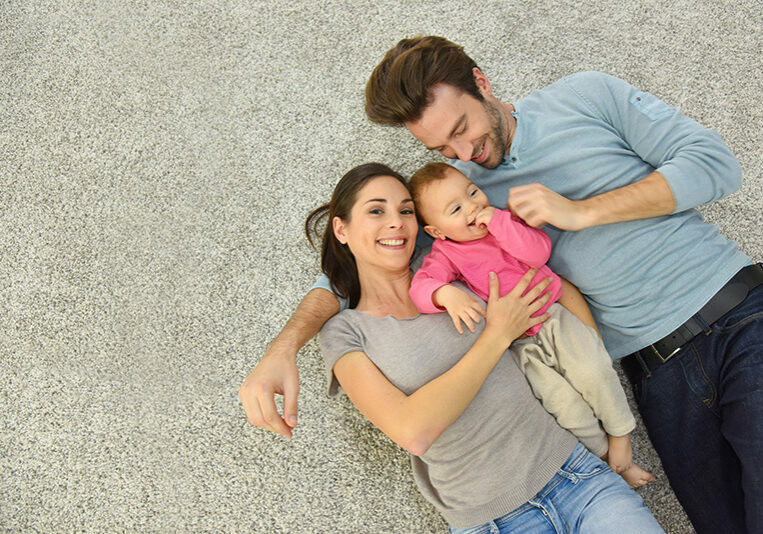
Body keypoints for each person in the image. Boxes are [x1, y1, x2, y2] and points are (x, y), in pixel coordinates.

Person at [239, 36, 763, 533]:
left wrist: (579, 212)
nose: (465, 151)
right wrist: (283, 349)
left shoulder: (585, 95)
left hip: (738, 315)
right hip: (657, 375)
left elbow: (715, 166)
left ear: (481, 82)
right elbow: (356, 265)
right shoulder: (457, 199)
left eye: (463, 128)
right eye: (443, 147)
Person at [310, 162, 664, 532]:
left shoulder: (460, 266)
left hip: (578, 472)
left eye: (406, 211)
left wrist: (590, 360)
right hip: (493, 519)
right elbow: (413, 431)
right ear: (342, 228)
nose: (396, 222)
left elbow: (551, 285)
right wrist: (497, 334)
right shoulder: (347, 329)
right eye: (376, 210)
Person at [408, 161, 653, 488]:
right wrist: (444, 293)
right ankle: (608, 458)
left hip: (553, 316)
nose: (473, 207)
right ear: (437, 231)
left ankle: (620, 433)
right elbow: (420, 288)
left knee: (592, 370)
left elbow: (538, 253)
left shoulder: (504, 221)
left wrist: (499, 223)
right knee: (563, 405)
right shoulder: (445, 253)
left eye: (472, 192)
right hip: (520, 343)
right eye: (456, 209)